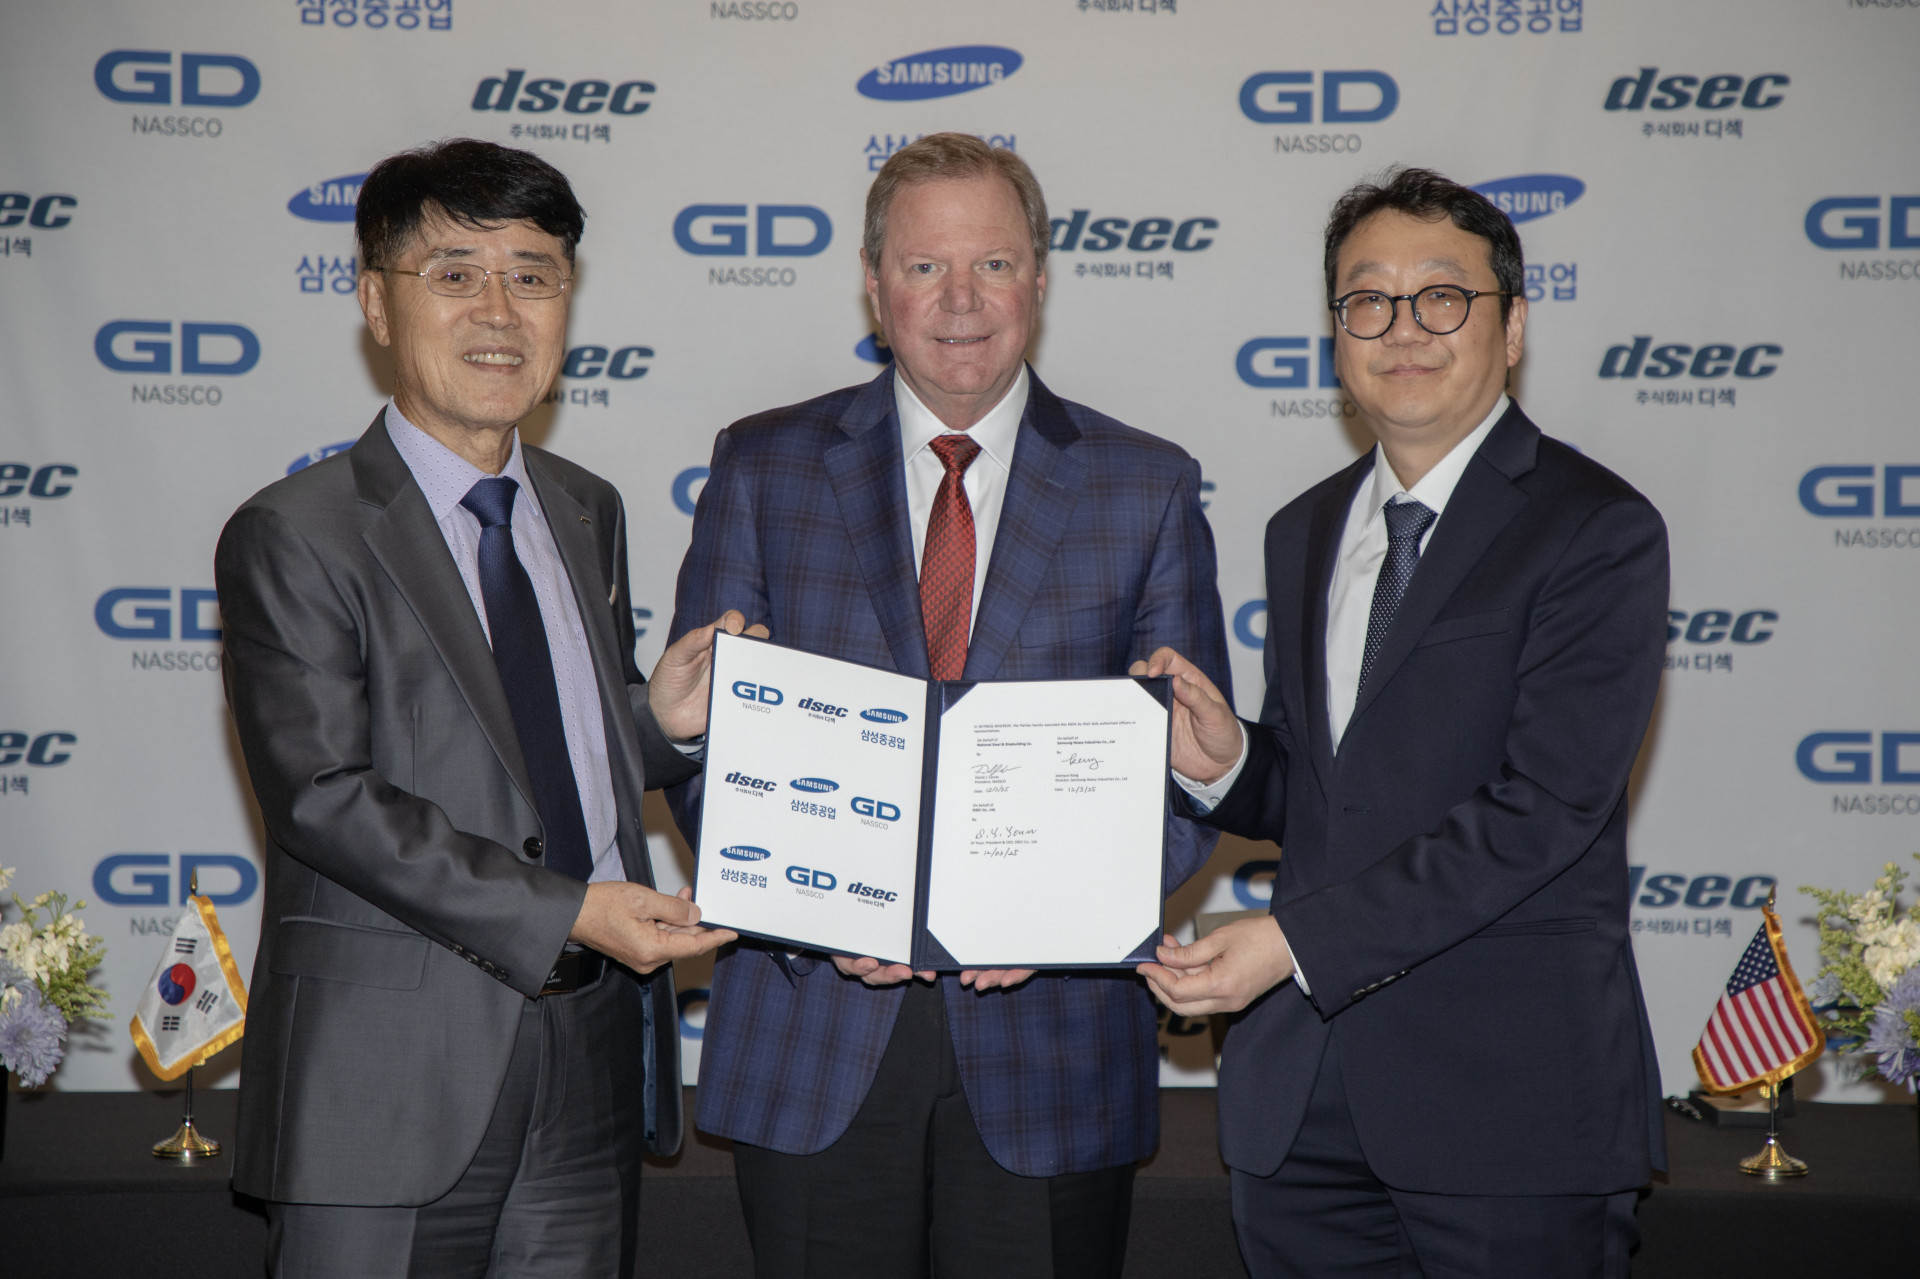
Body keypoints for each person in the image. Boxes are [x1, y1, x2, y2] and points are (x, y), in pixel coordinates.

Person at [666, 133, 1231, 1278]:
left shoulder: (1146, 485)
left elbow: (1187, 774)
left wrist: (1060, 907)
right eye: (925, 266)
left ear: (1040, 280)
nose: (961, 300)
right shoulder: (763, 466)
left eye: (994, 264)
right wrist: (811, 904)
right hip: (814, 1031)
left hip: (1052, 1052)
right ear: (875, 285)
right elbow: (698, 744)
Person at [216, 138, 748, 1278]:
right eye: (455, 273)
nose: (500, 310)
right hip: (385, 1086)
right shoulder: (296, 532)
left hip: (590, 1067)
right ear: (377, 302)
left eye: (533, 274)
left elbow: (542, 751)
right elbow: (324, 797)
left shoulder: (587, 508)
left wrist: (659, 721)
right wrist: (570, 912)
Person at [1133, 167, 1668, 1277]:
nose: (1403, 327)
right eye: (1368, 299)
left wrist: (1292, 944)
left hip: (1508, 1106)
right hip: (1302, 1108)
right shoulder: (1304, 529)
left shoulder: (1596, 528)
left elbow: (1542, 810)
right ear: (1337, 334)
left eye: (1442, 296)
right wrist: (1232, 763)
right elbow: (1332, 792)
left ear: (1511, 326)